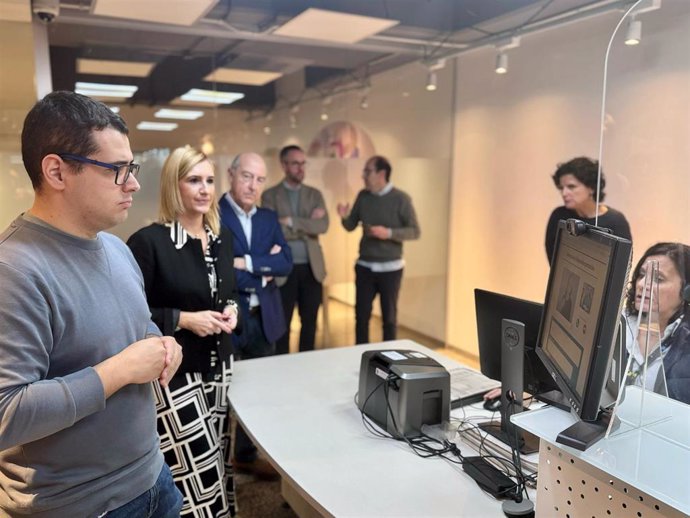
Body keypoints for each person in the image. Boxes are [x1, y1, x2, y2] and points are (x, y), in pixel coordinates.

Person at [0, 91, 183, 517]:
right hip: (79, 504)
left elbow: (139, 329)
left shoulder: (117, 249)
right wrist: (118, 372)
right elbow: (6, 411)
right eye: (117, 170)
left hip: (152, 476)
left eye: (131, 168)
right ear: (57, 171)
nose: (134, 183)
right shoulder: (14, 269)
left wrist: (160, 346)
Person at [127, 146, 239, 517]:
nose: (205, 189)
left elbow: (228, 291)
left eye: (209, 180)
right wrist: (183, 319)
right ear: (174, 186)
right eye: (194, 180)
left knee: (221, 458)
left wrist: (232, 309)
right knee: (197, 466)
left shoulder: (222, 239)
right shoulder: (149, 243)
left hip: (220, 368)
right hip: (175, 373)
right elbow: (129, 314)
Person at [219, 152, 292, 478]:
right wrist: (264, 264)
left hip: (264, 317)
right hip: (228, 318)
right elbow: (221, 273)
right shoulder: (213, 214)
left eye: (260, 179)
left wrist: (245, 262)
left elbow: (286, 263)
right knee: (224, 392)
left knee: (259, 392)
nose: (253, 185)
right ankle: (218, 459)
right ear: (231, 174)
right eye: (246, 176)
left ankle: (246, 456)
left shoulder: (268, 218)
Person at [337, 155, 420, 345]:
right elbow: (350, 225)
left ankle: (389, 362)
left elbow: (415, 231)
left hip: (391, 269)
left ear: (381, 174)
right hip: (365, 266)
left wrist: (388, 233)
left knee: (389, 320)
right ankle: (360, 357)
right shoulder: (363, 196)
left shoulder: (401, 199)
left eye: (367, 171)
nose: (363, 176)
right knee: (361, 317)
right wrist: (343, 216)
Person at [261, 145, 329, 354]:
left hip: (312, 268)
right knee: (283, 326)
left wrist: (290, 221)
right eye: (295, 163)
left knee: (309, 324)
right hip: (284, 270)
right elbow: (272, 230)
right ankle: (283, 370)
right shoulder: (270, 195)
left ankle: (306, 367)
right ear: (284, 165)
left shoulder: (315, 194)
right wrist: (306, 225)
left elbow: (323, 226)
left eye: (303, 163)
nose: (301, 168)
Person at [623, 242, 690, 405]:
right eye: (641, 275)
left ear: (686, 291)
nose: (641, 285)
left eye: (658, 279)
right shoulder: (617, 323)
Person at [545, 156, 632, 263]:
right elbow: (554, 261)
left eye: (571, 187)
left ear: (591, 188)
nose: (564, 193)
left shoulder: (616, 221)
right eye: (561, 188)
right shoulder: (559, 216)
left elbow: (623, 264)